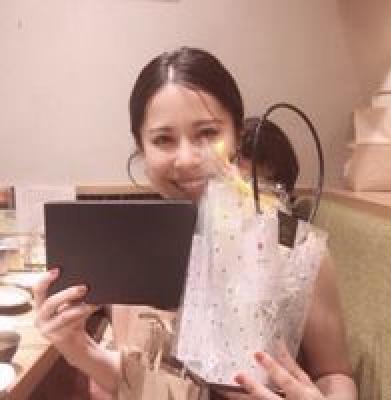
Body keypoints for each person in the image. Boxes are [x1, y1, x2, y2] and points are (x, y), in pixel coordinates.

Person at [34, 47, 357, 400]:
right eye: (163, 139)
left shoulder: (291, 248)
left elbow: (334, 374)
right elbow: (142, 384)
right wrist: (79, 349)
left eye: (207, 133)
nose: (187, 159)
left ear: (237, 136)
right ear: (142, 149)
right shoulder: (130, 251)